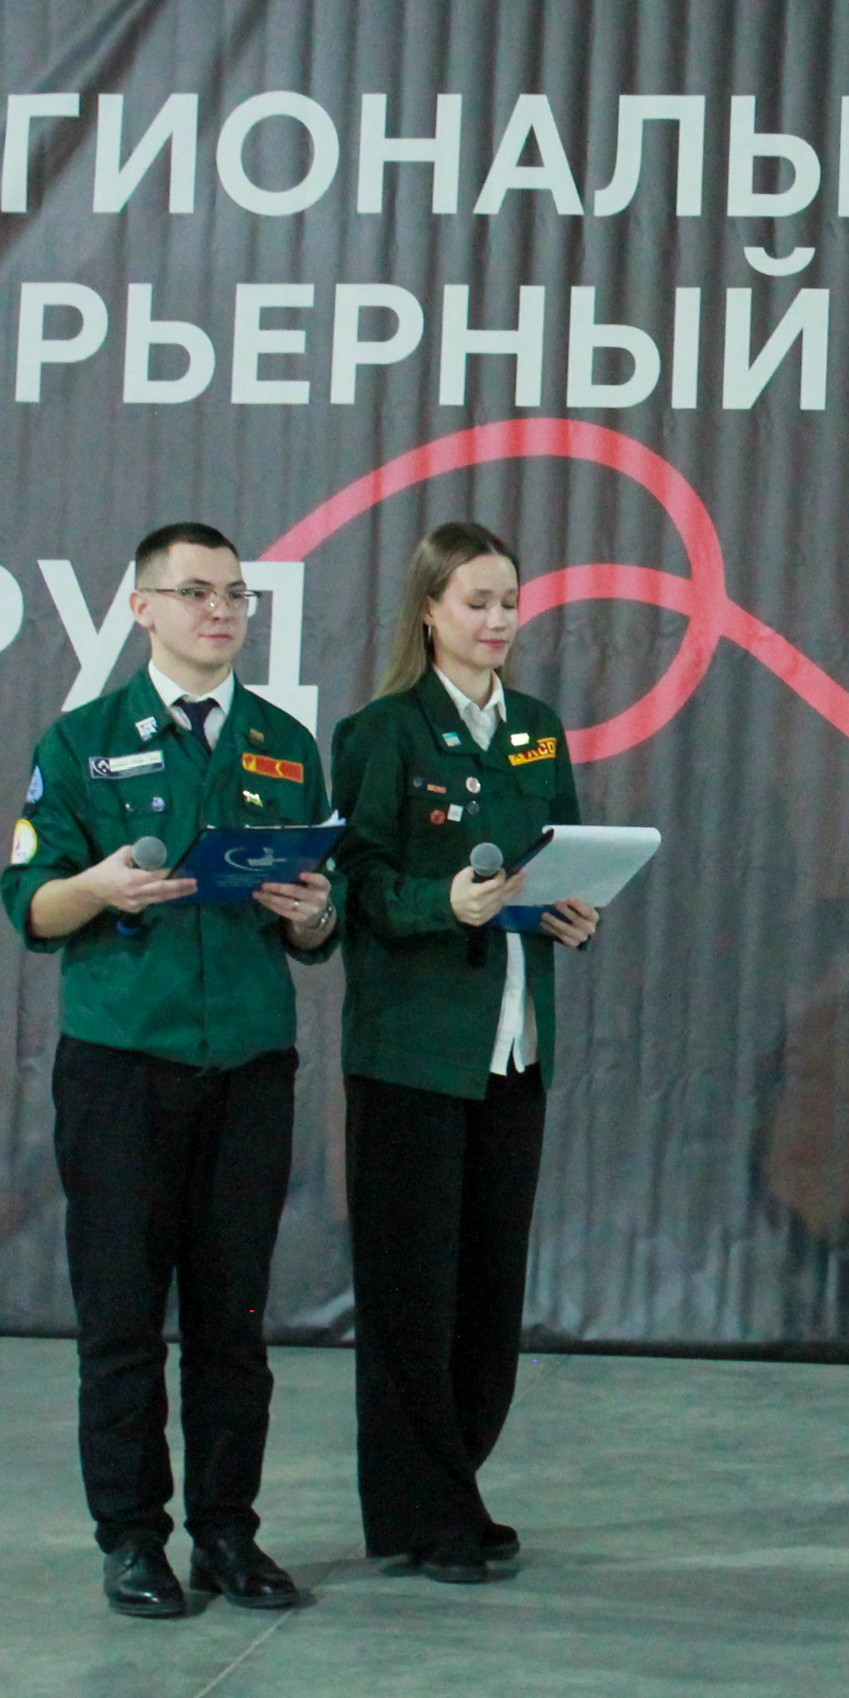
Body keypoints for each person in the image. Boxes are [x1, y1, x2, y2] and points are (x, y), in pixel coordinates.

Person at [0, 522, 340, 1619]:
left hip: (247, 1062)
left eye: (235, 593)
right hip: (122, 1067)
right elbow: (31, 906)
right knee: (122, 1317)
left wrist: (313, 914)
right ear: (141, 607)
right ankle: (132, 1538)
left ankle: (227, 1533)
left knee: (233, 1319)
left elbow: (317, 927)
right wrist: (97, 887)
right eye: (195, 592)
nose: (220, 610)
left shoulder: (284, 743)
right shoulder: (83, 741)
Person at [331, 522, 599, 1583]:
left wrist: (574, 911)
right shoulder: (382, 732)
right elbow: (357, 885)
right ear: (430, 611)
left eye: (509, 602)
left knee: (488, 1291)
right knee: (412, 1292)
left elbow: (562, 853)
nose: (497, 620)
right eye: (477, 601)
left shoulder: (535, 729)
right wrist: (442, 901)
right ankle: (424, 1508)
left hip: (513, 1046)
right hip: (414, 1050)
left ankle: (455, 1487)